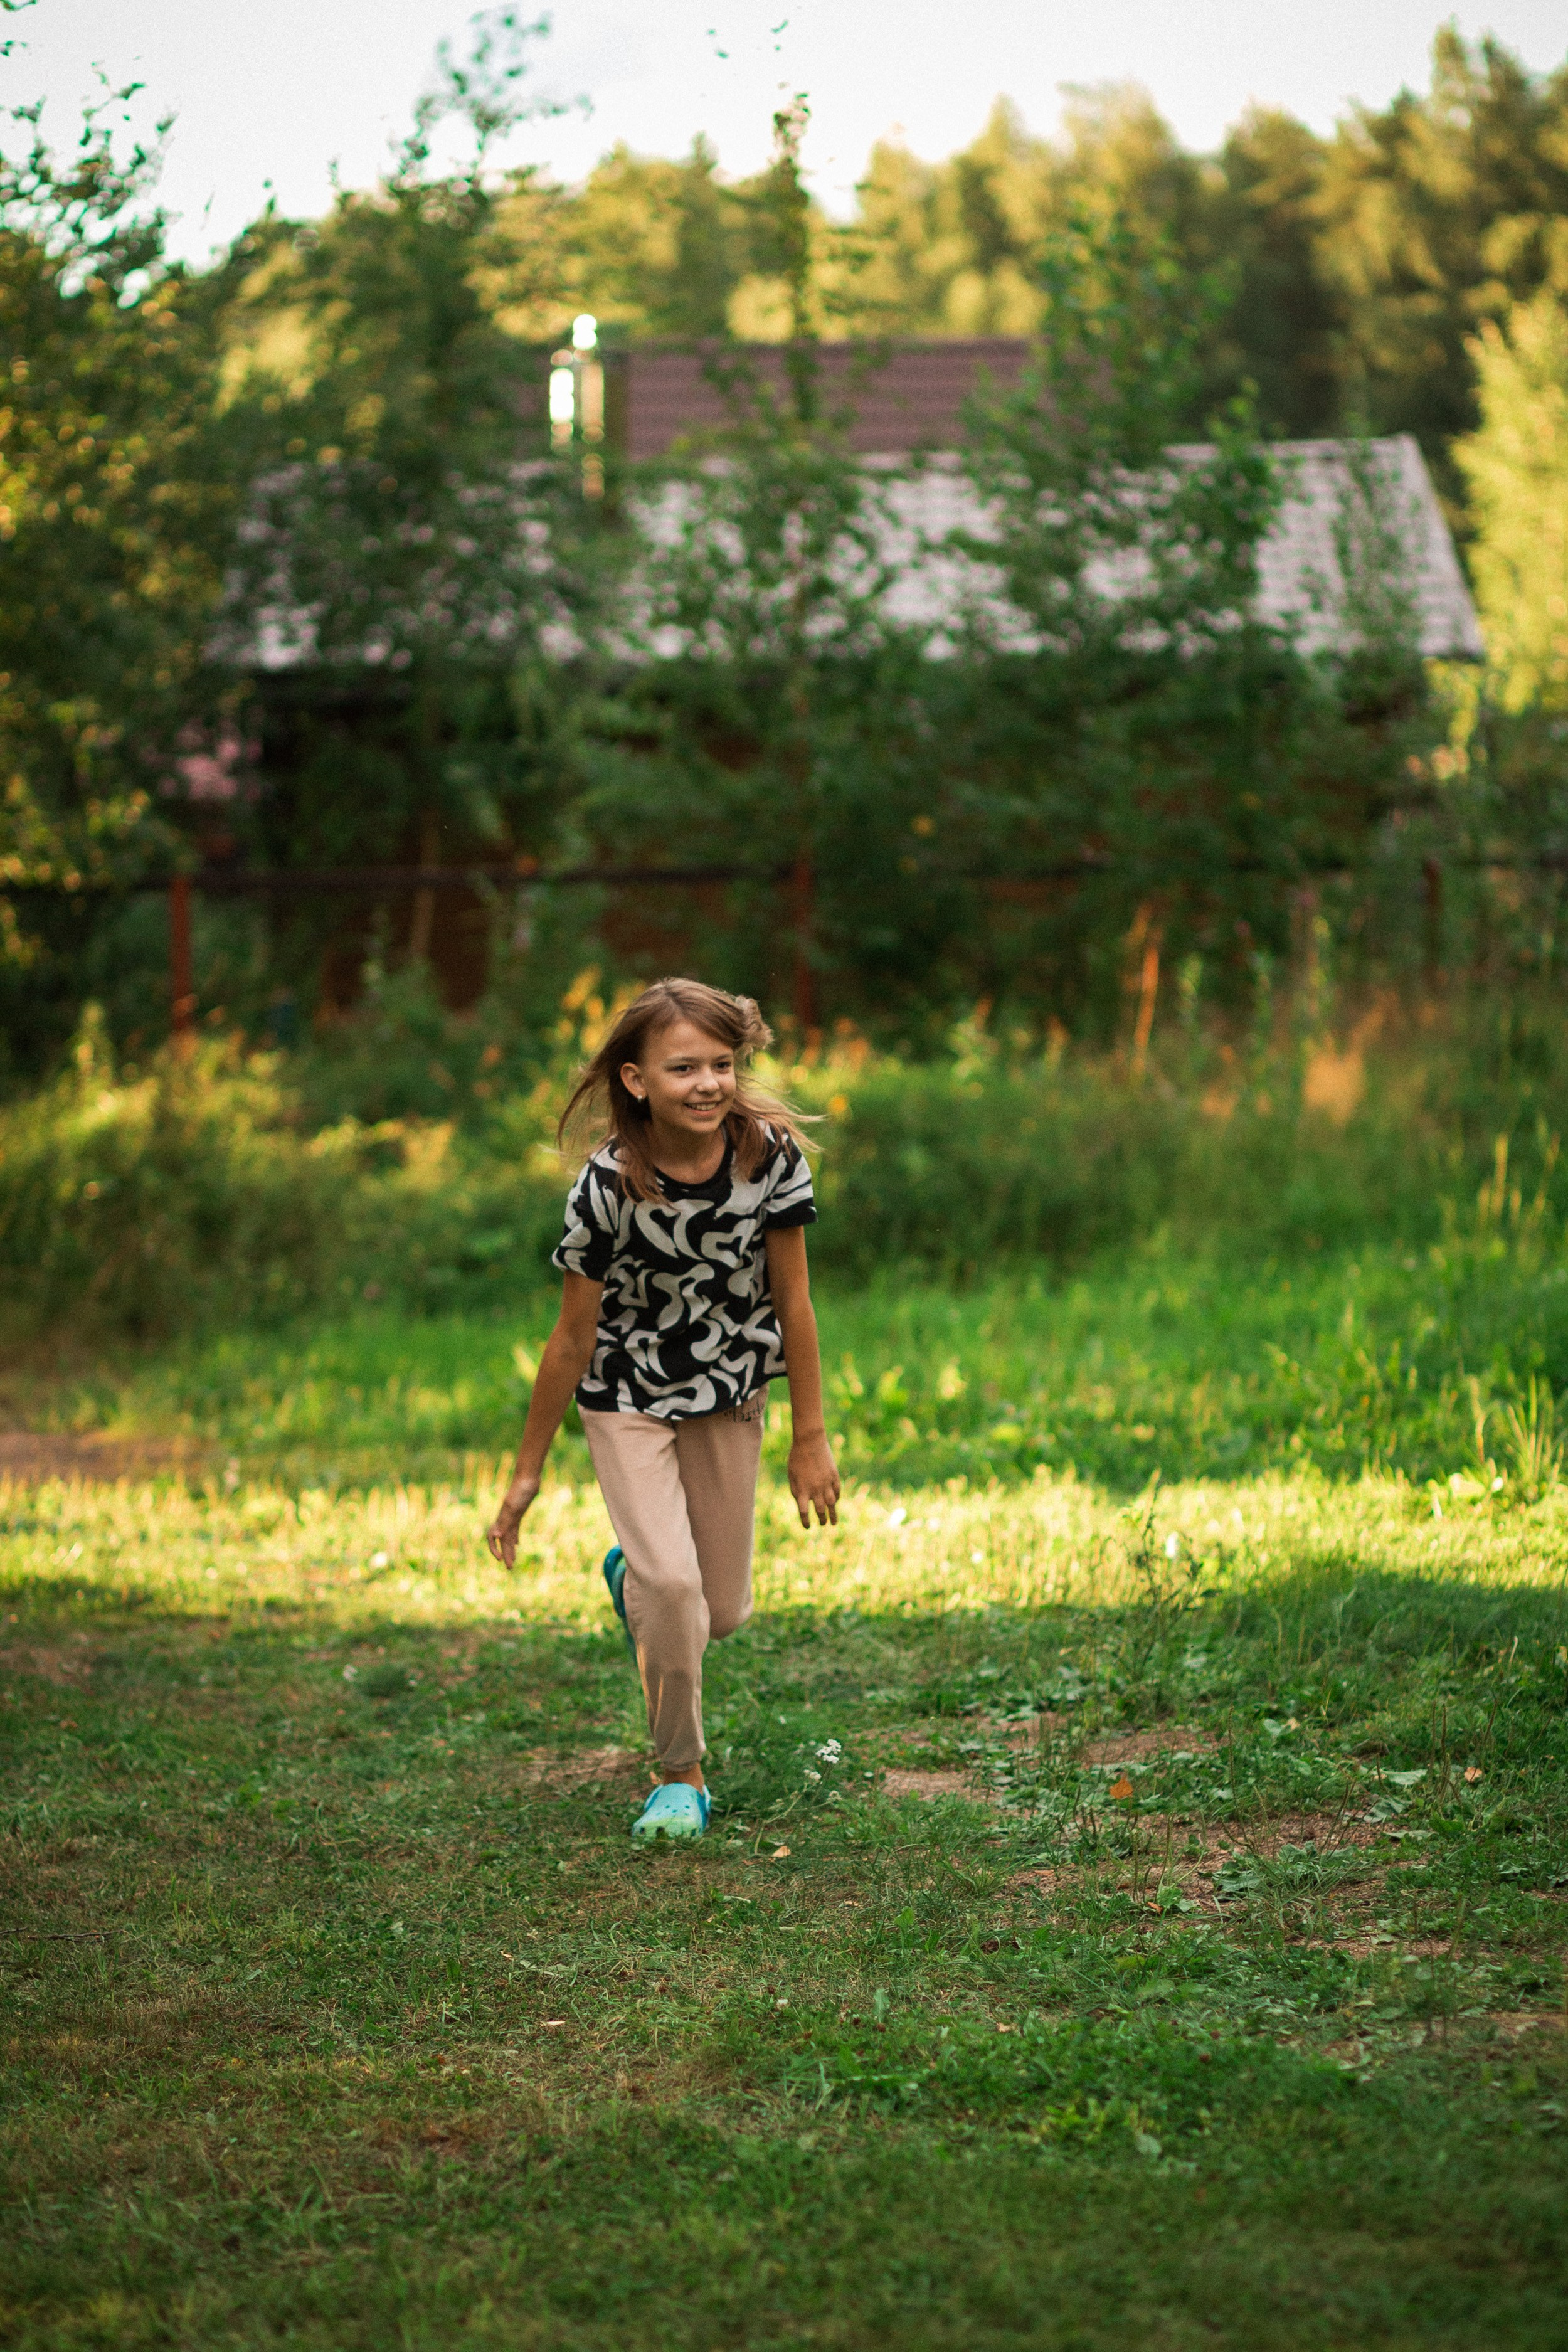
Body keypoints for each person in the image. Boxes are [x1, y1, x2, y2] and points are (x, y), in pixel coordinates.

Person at [485, 978, 841, 1842]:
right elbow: (571, 1339)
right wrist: (526, 1472)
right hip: (626, 1394)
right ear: (638, 1079)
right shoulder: (607, 1184)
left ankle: (630, 1574)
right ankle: (679, 1775)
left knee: (719, 1613)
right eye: (684, 1066)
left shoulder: (770, 1158)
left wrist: (812, 1436)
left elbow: (795, 1303)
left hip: (730, 1390)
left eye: (722, 1062)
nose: (709, 1081)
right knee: (675, 1589)